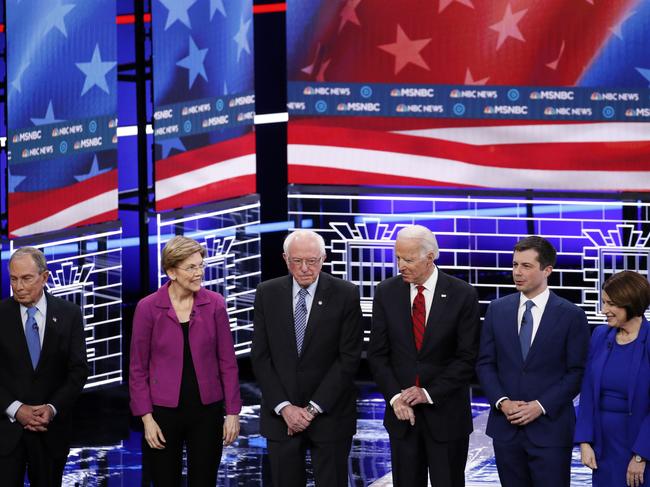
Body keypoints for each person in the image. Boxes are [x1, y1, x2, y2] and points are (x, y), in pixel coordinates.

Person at [367, 225, 481, 487]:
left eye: (408, 259)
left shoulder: (462, 294)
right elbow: (378, 354)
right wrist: (396, 397)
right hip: (402, 418)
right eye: (397, 258)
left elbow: (467, 358)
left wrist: (427, 393)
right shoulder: (386, 292)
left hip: (447, 417)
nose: (400, 265)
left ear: (430, 257)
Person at [476, 235, 590, 487]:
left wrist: (540, 406)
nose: (517, 272)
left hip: (550, 430)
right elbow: (485, 363)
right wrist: (502, 402)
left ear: (547, 270)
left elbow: (577, 372)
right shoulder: (497, 309)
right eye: (515, 265)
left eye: (526, 266)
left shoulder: (572, 315)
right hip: (506, 429)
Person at [251, 229, 363, 487]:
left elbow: (348, 358)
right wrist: (285, 408)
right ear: (285, 259)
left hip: (330, 415)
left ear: (323, 259)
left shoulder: (346, 294)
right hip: (281, 418)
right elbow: (260, 356)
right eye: (296, 261)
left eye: (311, 261)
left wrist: (311, 409)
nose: (304, 268)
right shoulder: (267, 293)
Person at [129, 236, 241, 486]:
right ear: (171, 271)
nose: (199, 273)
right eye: (191, 267)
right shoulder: (148, 308)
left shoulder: (215, 304)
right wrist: (146, 419)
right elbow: (138, 369)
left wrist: (233, 412)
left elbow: (227, 362)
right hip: (162, 414)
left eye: (201, 265)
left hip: (206, 412)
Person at [0, 246, 88, 486]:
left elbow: (78, 370)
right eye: (13, 279)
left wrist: (51, 408)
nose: (19, 286)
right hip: (7, 434)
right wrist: (17, 409)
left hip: (51, 432)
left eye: (26, 278)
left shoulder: (69, 314)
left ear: (45, 277)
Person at [575, 270, 650, 487]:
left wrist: (641, 455)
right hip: (603, 446)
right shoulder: (600, 335)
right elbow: (588, 390)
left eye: (610, 304)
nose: (603, 310)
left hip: (639, 442)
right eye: (603, 302)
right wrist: (585, 441)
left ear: (631, 303)